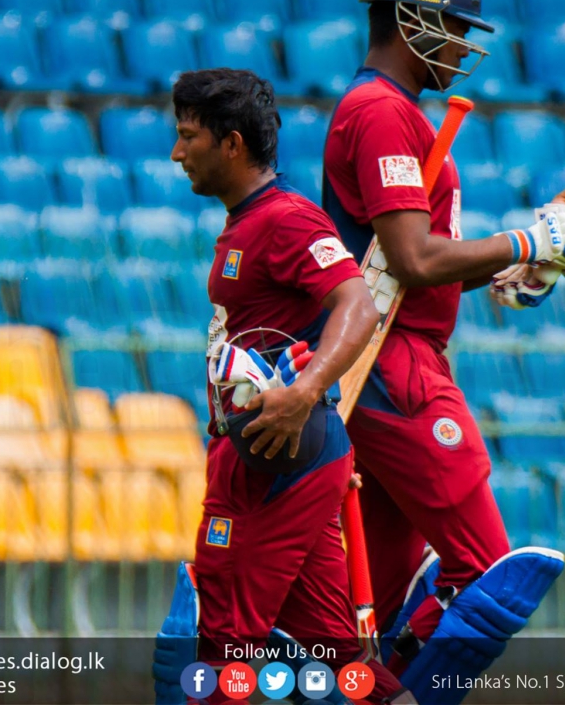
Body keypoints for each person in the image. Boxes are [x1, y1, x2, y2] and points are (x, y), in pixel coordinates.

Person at [321, 0, 565, 701]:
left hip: (390, 357)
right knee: (486, 570)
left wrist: (525, 258)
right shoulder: (381, 112)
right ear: (414, 19)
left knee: (371, 608)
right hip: (395, 366)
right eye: (455, 28)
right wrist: (527, 241)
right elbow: (414, 260)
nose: (461, 47)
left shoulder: (391, 111)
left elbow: (412, 269)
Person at [152, 68, 408, 704]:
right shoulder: (247, 222)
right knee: (338, 658)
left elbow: (358, 305)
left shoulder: (287, 219)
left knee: (223, 643)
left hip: (275, 460)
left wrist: (304, 391)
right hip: (284, 455)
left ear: (232, 143)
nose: (177, 152)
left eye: (188, 136)